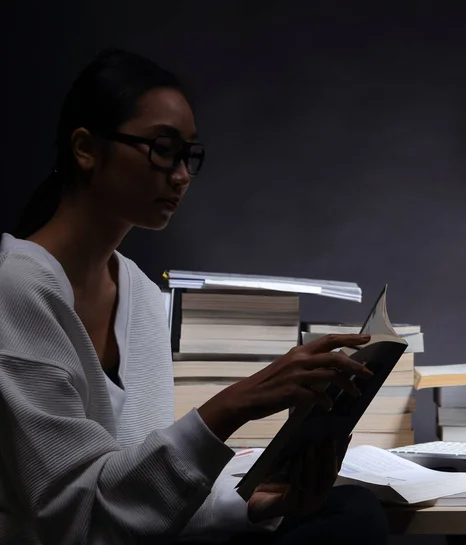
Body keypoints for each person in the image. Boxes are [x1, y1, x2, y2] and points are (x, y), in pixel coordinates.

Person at [0, 49, 390, 545]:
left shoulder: (140, 294)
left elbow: (142, 497)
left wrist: (254, 505)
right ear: (85, 149)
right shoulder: (16, 289)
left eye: (189, 155)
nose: (181, 174)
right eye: (163, 148)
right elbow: (80, 524)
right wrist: (232, 406)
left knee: (350, 509)